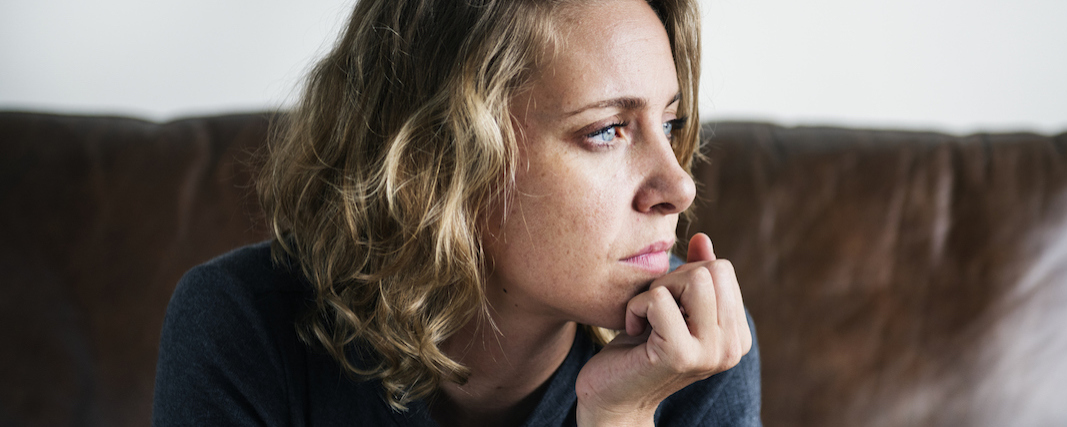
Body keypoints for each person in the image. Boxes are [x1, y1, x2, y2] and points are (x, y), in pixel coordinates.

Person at [152, 0, 760, 426]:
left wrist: (622, 415)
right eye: (606, 131)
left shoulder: (694, 350)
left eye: (671, 123)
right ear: (441, 159)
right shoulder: (243, 324)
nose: (678, 185)